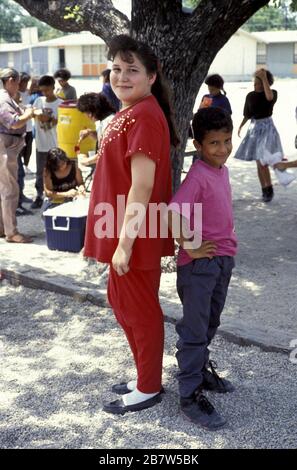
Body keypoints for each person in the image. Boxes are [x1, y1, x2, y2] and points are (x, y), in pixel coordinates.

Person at [84, 34, 179, 415]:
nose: (121, 77)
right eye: (116, 69)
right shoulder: (131, 111)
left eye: (132, 70)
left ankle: (149, 386)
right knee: (122, 303)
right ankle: (145, 374)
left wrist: (124, 244)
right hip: (122, 228)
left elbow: (142, 187)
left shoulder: (144, 116)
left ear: (152, 76)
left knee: (139, 310)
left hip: (136, 233)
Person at [168, 107, 237, 430]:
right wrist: (190, 247)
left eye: (226, 140)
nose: (222, 149)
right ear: (198, 144)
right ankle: (189, 393)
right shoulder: (197, 175)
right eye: (214, 143)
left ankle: (199, 372)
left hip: (222, 259)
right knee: (195, 329)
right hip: (200, 266)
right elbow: (172, 214)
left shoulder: (220, 169)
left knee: (211, 321)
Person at [235, 68, 284, 203]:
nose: (256, 85)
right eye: (255, 83)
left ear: (265, 83)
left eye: (259, 83)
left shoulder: (272, 93)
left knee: (263, 162)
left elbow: (269, 97)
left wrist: (263, 77)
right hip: (254, 128)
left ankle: (269, 189)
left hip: (267, 128)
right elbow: (247, 114)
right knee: (258, 162)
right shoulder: (250, 95)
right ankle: (264, 189)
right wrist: (241, 125)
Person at [0, 68, 36, 243]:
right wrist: (28, 114)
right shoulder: (3, 98)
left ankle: (4, 228)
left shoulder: (7, 98)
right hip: (6, 144)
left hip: (7, 144)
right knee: (10, 190)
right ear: (11, 80)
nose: (19, 87)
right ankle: (11, 232)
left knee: (4, 188)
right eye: (18, 82)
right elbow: (13, 122)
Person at [31, 75, 63, 209]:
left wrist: (48, 119)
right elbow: (31, 113)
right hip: (41, 144)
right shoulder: (38, 101)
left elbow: (61, 122)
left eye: (47, 90)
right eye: (42, 90)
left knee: (56, 171)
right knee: (40, 172)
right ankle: (39, 196)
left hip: (55, 144)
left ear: (53, 88)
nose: (45, 93)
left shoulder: (60, 104)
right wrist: (35, 114)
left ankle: (56, 196)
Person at [76, 92, 115, 166]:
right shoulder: (102, 120)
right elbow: (101, 137)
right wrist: (90, 132)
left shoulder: (110, 122)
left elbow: (106, 152)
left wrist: (85, 161)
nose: (87, 116)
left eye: (86, 113)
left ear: (91, 113)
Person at [42, 147, 85, 212]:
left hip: (73, 199)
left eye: (63, 163)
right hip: (55, 201)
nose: (62, 166)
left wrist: (81, 188)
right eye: (58, 166)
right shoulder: (48, 171)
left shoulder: (73, 166)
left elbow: (80, 183)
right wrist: (66, 194)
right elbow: (48, 193)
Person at [16, 72, 34, 215]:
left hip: (26, 132)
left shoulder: (27, 93)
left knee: (22, 166)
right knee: (18, 172)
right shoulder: (11, 97)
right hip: (16, 135)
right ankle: (17, 203)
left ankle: (20, 198)